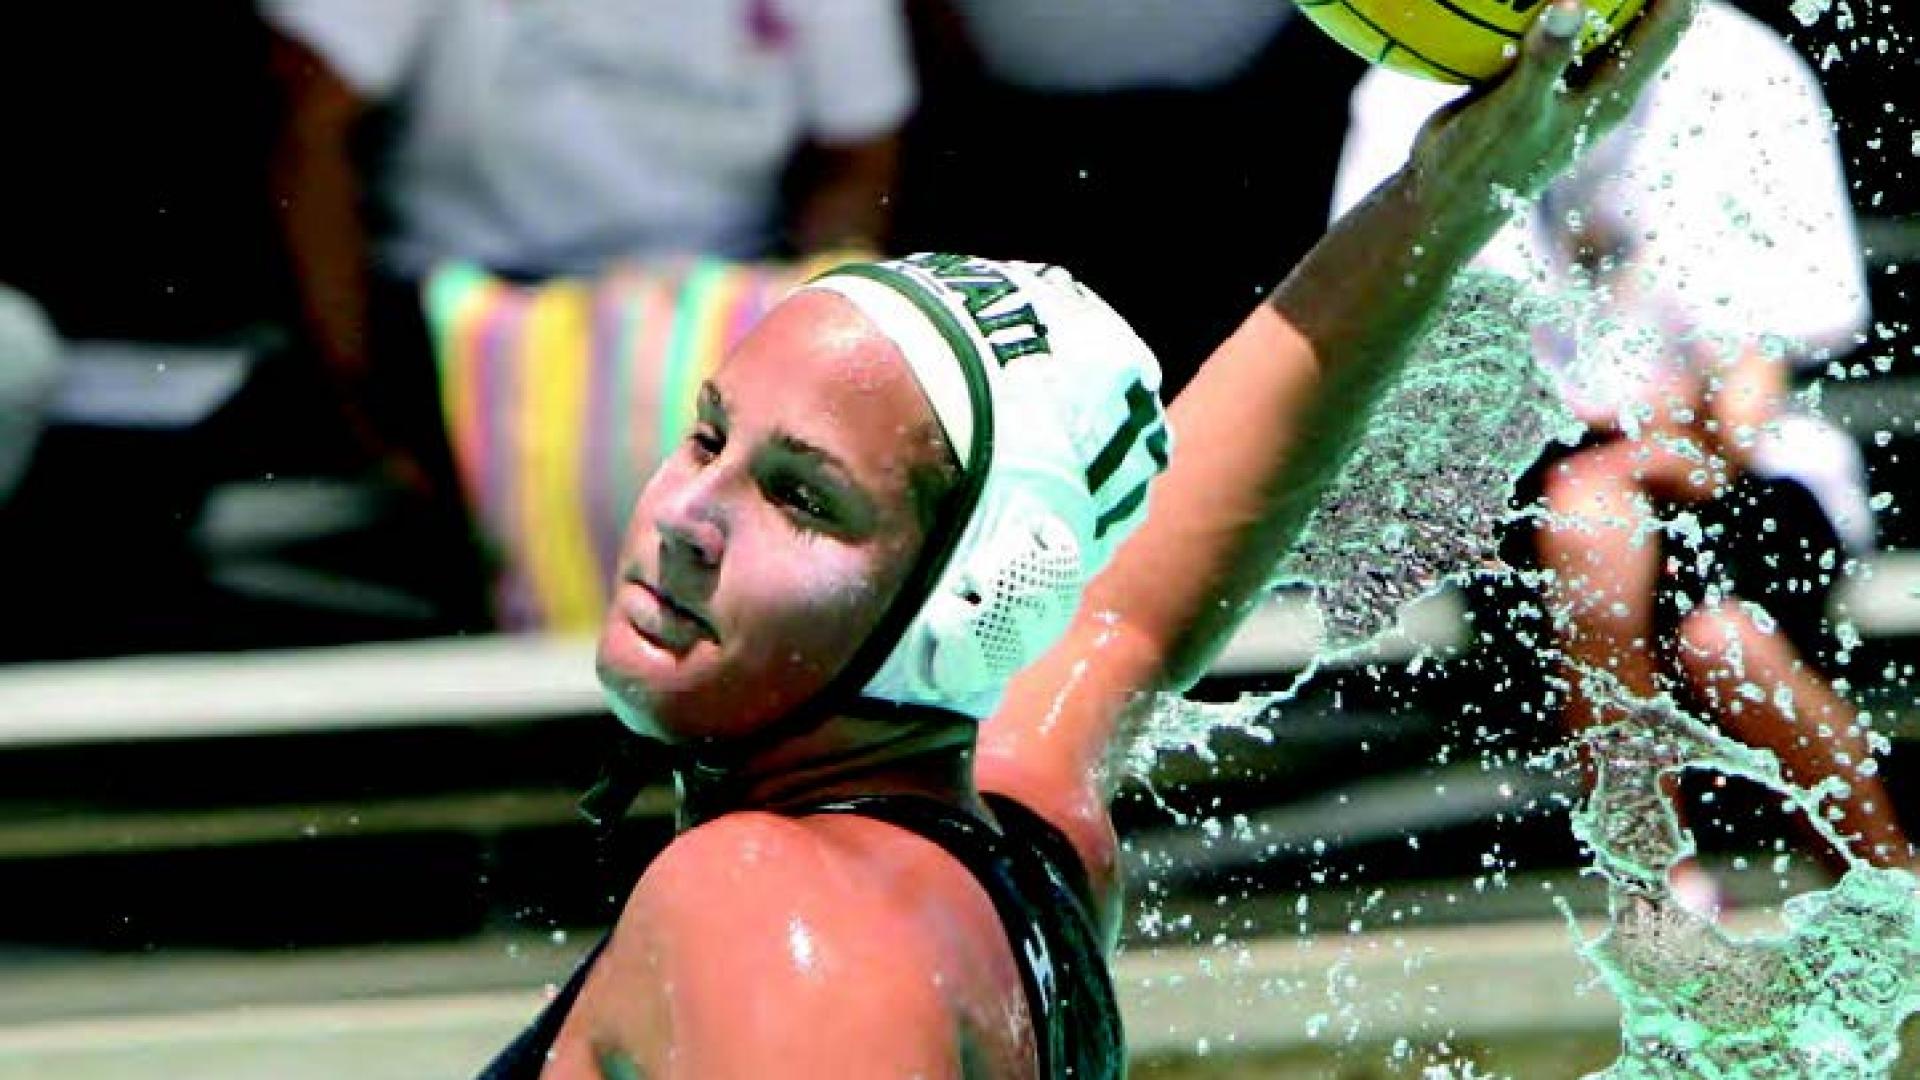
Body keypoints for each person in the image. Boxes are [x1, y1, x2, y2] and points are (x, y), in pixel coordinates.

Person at [478, 2, 1693, 1075]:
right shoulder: (1023, 851)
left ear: (967, 607)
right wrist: (1453, 192)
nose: (690, 518)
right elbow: (1127, 613)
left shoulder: (767, 916)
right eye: (706, 438)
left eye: (805, 498)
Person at [1332, 0, 1914, 912]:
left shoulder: (1740, 68)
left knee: (1719, 634)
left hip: (1747, 468)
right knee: (1603, 531)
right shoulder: (1416, 78)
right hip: (1532, 493)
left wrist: (1668, 444)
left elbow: (1751, 387)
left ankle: (1675, 888)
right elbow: (1419, 358)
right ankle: (1851, 890)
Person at [262, 0, 915, 500]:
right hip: (471, 313)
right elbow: (309, 128)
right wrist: (356, 397)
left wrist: (819, 361)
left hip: (723, 312)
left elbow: (854, 158)